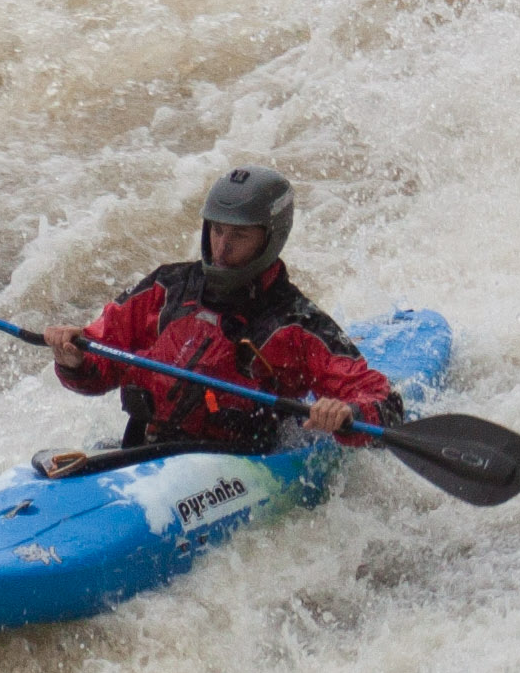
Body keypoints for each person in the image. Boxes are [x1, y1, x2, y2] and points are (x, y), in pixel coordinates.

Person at [32, 166, 396, 475]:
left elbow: (383, 402)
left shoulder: (297, 324)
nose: (222, 247)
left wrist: (346, 412)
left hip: (234, 470)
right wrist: (74, 360)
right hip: (144, 453)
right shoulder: (166, 288)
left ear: (270, 239)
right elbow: (100, 364)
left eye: (239, 235)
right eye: (217, 230)